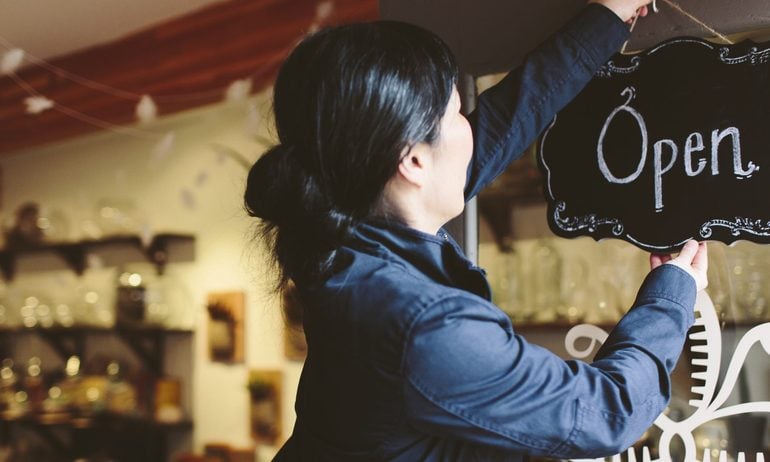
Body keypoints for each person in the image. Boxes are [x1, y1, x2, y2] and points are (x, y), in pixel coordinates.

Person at [244, 0, 709, 459]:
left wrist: (606, 20)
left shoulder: (342, 227)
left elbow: (507, 120)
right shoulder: (426, 323)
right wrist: (673, 293)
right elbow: (607, 412)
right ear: (413, 161)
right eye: (456, 113)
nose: (471, 126)